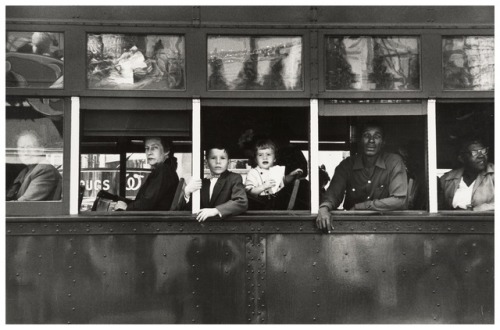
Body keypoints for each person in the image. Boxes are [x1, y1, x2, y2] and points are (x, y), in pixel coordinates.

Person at [316, 121, 408, 230]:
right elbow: (333, 194)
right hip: (352, 227)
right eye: (366, 136)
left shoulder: (394, 162)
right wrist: (324, 208)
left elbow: (399, 200)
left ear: (383, 142)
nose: (371, 141)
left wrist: (360, 207)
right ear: (360, 140)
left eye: (377, 136)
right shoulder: (347, 165)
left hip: (385, 228)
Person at [179, 144, 248, 221]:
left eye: (222, 158)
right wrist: (187, 192)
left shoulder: (234, 178)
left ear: (228, 162)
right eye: (213, 158)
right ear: (206, 162)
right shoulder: (202, 182)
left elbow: (241, 202)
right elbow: (187, 210)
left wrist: (216, 210)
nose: (218, 162)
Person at [114, 137, 179, 211]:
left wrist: (126, 207)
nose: (149, 153)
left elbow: (147, 202)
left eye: (154, 148)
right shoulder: (167, 169)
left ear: (166, 151)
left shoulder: (163, 170)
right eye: (147, 148)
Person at [245, 139, 303, 210]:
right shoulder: (253, 172)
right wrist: (263, 186)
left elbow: (283, 182)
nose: (264, 157)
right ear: (256, 159)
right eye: (260, 155)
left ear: (274, 158)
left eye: (268, 154)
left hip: (276, 204)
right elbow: (251, 192)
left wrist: (292, 175)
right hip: (260, 205)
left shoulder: (276, 170)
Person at [438, 138, 494, 211]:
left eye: (483, 151)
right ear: (461, 158)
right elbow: (439, 209)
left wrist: (479, 209)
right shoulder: (447, 179)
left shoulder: (495, 174)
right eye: (474, 152)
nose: (481, 156)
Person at [6, 130, 62, 201]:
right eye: (21, 148)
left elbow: (23, 204)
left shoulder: (44, 170)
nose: (25, 152)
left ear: (41, 150)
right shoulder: (25, 171)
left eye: (30, 147)